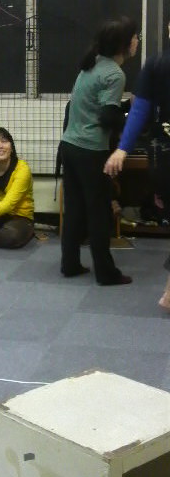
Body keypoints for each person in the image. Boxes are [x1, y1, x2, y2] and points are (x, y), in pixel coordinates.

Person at [60, 16, 139, 285]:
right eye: (135, 37)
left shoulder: (92, 64)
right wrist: (133, 119)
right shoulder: (115, 74)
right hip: (90, 151)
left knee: (74, 209)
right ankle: (106, 273)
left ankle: (70, 264)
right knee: (99, 213)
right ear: (124, 44)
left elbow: (94, 106)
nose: (137, 41)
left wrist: (123, 107)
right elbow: (106, 118)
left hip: (69, 146)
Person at [104, 20, 170, 309]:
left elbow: (140, 109)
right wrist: (122, 149)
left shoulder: (155, 64)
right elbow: (140, 109)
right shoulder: (156, 65)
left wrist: (122, 149)